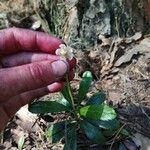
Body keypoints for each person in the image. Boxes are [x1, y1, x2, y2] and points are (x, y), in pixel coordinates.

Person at [0, 28, 76, 131]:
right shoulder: (59, 53)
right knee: (61, 81)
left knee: (63, 81)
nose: (63, 52)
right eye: (62, 51)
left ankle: (76, 111)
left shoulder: (65, 55)